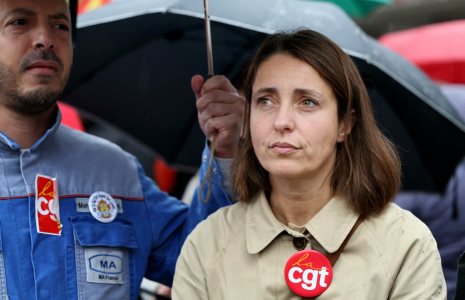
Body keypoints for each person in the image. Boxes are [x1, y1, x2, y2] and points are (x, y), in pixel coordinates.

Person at [172, 29, 446, 299]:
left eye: (307, 102)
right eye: (265, 101)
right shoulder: (206, 244)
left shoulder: (405, 244)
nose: (281, 122)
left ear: (345, 124)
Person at [0, 0, 243, 299]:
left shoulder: (116, 170)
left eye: (60, 25)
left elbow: (203, 261)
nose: (46, 39)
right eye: (20, 22)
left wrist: (226, 151)